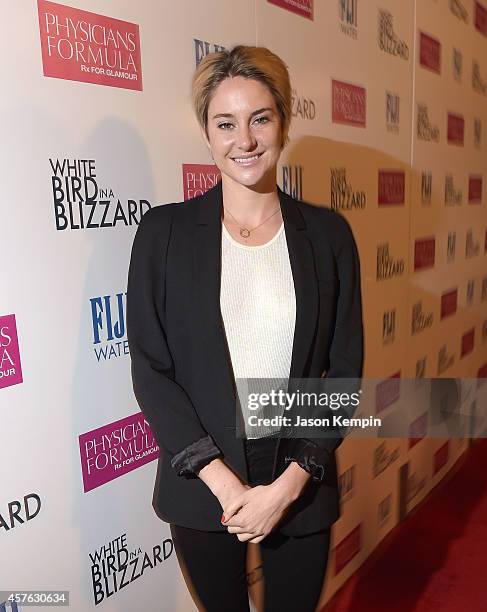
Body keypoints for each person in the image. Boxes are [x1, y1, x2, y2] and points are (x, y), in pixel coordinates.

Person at [127, 45, 364, 612]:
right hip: (203, 480)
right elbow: (152, 370)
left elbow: (345, 372)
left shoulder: (328, 236)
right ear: (207, 133)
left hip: (300, 478)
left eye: (260, 118)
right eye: (225, 123)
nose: (245, 140)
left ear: (284, 120)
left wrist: (288, 486)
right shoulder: (164, 234)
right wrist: (228, 488)